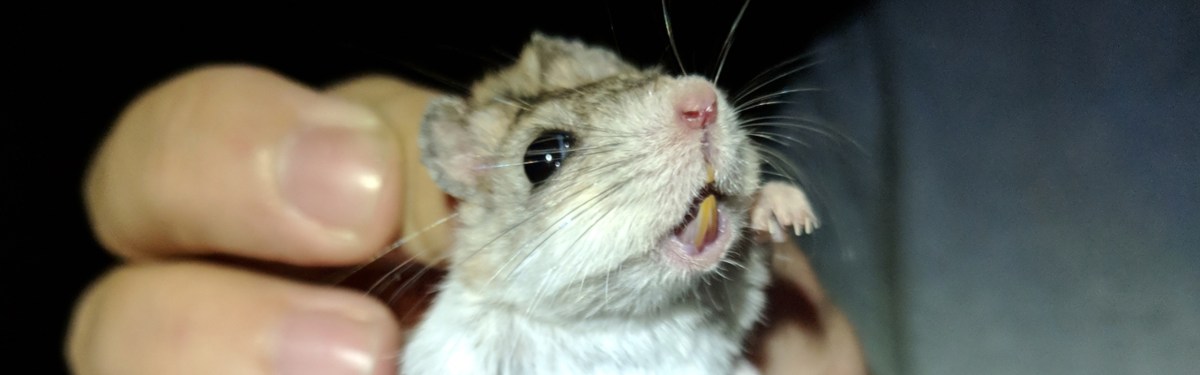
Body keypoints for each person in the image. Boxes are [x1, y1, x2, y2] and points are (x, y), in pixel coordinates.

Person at [64, 66, 868, 375]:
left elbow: (736, 306)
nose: (699, 103)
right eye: (547, 157)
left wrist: (756, 208)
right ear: (474, 203)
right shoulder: (464, 332)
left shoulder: (736, 314)